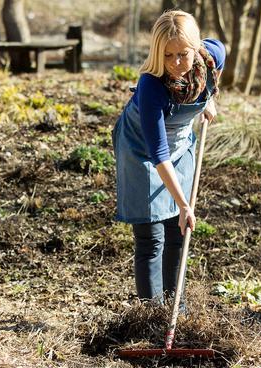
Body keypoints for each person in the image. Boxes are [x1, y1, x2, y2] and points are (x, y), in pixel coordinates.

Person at [112, 10, 225, 303]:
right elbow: (157, 152)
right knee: (151, 238)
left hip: (180, 144)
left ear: (196, 48)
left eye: (183, 54)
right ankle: (150, 315)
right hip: (142, 152)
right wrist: (185, 204)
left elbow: (219, 58)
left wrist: (209, 99)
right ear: (157, 53)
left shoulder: (211, 57)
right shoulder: (152, 86)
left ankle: (176, 311)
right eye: (168, 55)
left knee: (178, 234)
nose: (176, 63)